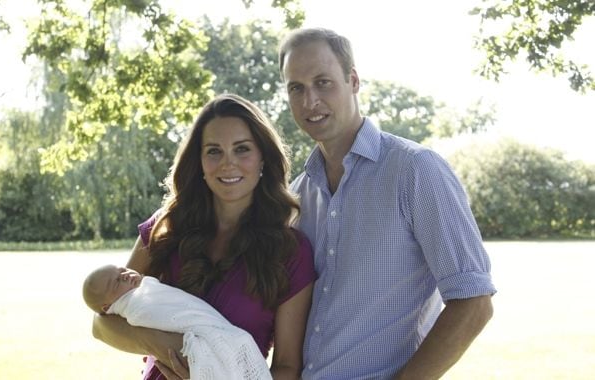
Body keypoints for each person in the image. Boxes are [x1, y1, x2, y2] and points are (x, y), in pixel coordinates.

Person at [278, 27, 497, 379]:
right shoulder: (298, 196)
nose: (310, 101)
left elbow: (473, 302)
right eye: (296, 88)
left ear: (353, 81)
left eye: (323, 82)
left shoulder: (415, 170)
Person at [91, 94, 316, 380]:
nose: (228, 164)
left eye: (242, 149)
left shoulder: (291, 252)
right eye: (214, 151)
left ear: (263, 158)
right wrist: (168, 347)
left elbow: (287, 367)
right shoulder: (166, 227)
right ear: (199, 162)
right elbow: (102, 324)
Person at [82, 264, 272, 379]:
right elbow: (99, 326)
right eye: (116, 282)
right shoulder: (135, 306)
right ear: (108, 306)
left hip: (225, 336)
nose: (124, 275)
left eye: (122, 270)